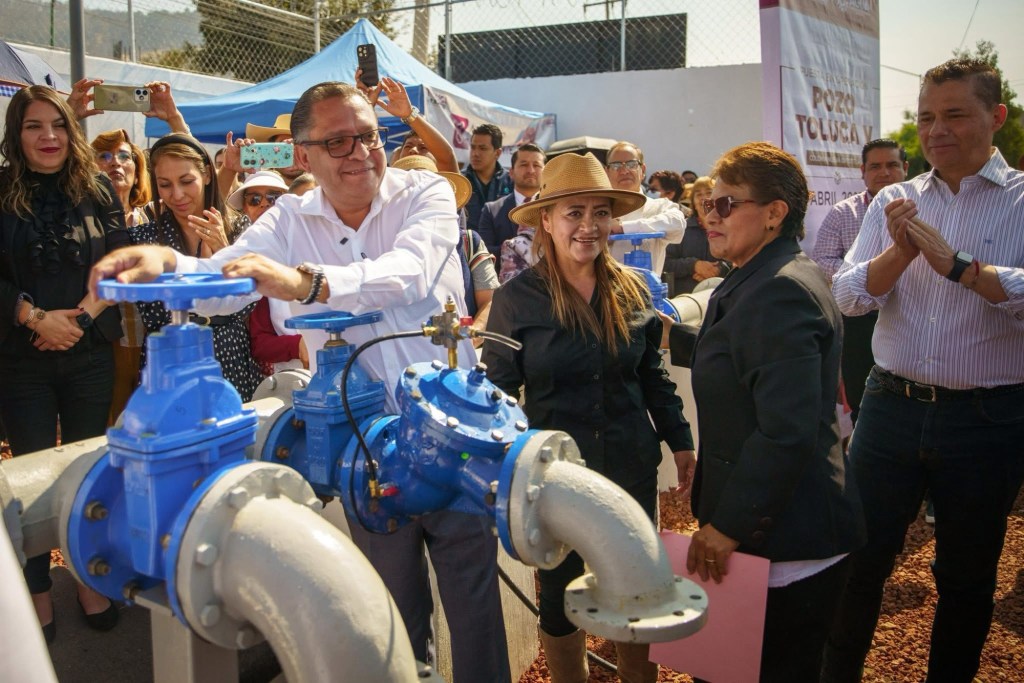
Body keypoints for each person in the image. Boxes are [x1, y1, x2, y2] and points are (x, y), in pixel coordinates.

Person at [88, 81, 508, 683]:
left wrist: (304, 284)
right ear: (303, 155)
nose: (359, 151)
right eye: (337, 141)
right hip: (363, 449)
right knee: (390, 618)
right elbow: (225, 285)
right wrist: (173, 266)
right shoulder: (288, 217)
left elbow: (410, 273)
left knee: (475, 613)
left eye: (368, 135)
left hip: (452, 438)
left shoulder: (428, 191)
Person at [823, 58, 1024, 683]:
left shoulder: (1021, 200)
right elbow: (848, 295)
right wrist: (901, 251)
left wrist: (959, 265)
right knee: (857, 560)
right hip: (891, 407)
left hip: (987, 417)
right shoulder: (895, 200)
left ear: (996, 117)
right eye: (926, 118)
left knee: (965, 578)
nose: (936, 131)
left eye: (954, 115)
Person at [482, 152, 696, 683]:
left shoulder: (634, 288)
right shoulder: (516, 300)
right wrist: (499, 471)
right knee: (558, 594)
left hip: (629, 460)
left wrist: (682, 441)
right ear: (546, 221)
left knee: (636, 586)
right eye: (573, 212)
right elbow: (500, 392)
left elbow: (652, 376)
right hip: (556, 477)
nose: (588, 225)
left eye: (599, 213)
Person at [661, 142, 865, 682]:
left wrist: (727, 526)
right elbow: (741, 351)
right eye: (707, 203)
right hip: (768, 533)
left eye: (726, 204)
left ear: (774, 213)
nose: (709, 214)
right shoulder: (761, 274)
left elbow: (786, 432)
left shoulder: (779, 291)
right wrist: (663, 335)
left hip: (784, 543)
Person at [0, 84, 126, 644]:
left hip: (89, 349)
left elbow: (123, 261)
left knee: (87, 472)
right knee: (25, 479)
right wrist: (33, 318)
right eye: (33, 126)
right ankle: (35, 592)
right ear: (16, 133)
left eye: (57, 123)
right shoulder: (0, 190)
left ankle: (86, 576)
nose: (48, 136)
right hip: (18, 358)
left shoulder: (97, 188)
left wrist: (76, 318)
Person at [133, 133, 263, 402]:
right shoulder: (145, 237)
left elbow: (250, 300)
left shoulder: (239, 227)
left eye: (186, 181)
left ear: (206, 175)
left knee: (231, 437)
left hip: (229, 352)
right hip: (170, 355)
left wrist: (223, 251)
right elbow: (151, 309)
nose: (177, 195)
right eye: (165, 185)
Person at [811, 139, 909, 426]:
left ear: (905, 168)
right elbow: (823, 260)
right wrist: (870, 277)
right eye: (875, 166)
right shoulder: (844, 213)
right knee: (862, 399)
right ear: (862, 171)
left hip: (910, 316)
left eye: (892, 165)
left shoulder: (925, 208)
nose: (884, 172)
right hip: (859, 321)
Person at [227, 171, 307, 376]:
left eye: (274, 197)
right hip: (289, 377)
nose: (264, 204)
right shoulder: (244, 258)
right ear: (245, 208)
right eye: (254, 199)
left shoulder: (316, 245)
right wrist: (298, 345)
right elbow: (260, 343)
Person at [604, 141, 685, 276]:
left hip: (646, 295)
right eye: (616, 165)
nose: (624, 171)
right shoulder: (598, 211)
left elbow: (678, 224)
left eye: (631, 164)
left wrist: (623, 228)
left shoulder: (659, 207)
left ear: (643, 171)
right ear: (607, 172)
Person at [662, 175, 730, 296]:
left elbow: (736, 258)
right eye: (698, 194)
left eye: (709, 192)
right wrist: (694, 265)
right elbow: (665, 263)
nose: (704, 198)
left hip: (721, 297)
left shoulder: (727, 227)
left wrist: (718, 269)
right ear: (692, 200)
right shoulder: (682, 229)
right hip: (686, 301)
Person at [477, 143, 546, 256]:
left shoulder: (554, 207)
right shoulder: (492, 210)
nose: (531, 170)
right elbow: (485, 253)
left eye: (536, 165)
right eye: (524, 164)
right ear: (511, 173)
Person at [462, 123, 513, 231]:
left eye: (482, 148)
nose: (475, 153)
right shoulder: (461, 181)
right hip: (470, 245)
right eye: (473, 147)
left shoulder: (511, 181)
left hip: (501, 246)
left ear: (498, 153)